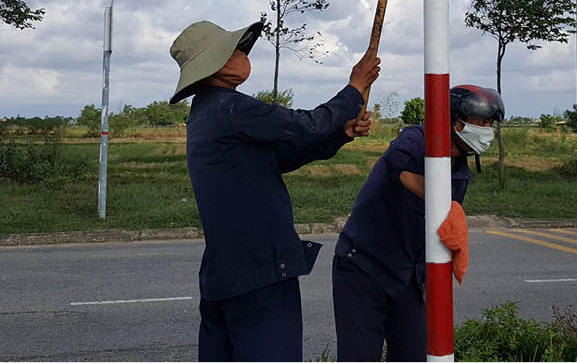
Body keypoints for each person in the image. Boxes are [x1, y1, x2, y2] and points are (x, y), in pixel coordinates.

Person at [169, 19, 380, 362]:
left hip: (225, 275)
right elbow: (305, 125)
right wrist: (355, 88)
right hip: (259, 275)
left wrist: (341, 132)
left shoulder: (208, 114)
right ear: (216, 65)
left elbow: (284, 154)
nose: (242, 53)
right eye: (234, 49)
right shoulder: (231, 107)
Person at [331, 84, 504, 362]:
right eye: (482, 122)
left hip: (409, 277)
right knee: (359, 355)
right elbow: (399, 168)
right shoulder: (416, 138)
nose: (488, 130)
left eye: (491, 123)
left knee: (414, 354)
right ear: (456, 122)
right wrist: (441, 200)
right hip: (363, 266)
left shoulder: (460, 173)